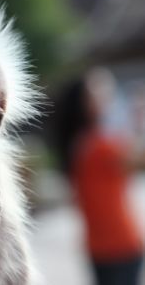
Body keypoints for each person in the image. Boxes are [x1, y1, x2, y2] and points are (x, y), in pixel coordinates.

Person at [54, 68, 144, 285]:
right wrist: (139, 119)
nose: (107, 95)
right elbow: (139, 159)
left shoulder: (77, 145)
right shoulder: (100, 146)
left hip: (97, 246)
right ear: (85, 103)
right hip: (121, 244)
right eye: (99, 91)